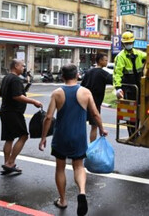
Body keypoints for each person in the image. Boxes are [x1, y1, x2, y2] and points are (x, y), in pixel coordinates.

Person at [39, 64, 108, 216]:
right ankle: (82, 192)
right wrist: (102, 129)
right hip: (79, 136)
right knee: (78, 167)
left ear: (62, 76)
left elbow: (48, 117)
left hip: (61, 136)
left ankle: (63, 200)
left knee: (60, 167)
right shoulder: (85, 92)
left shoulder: (57, 93)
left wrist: (43, 138)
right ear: (77, 75)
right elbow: (95, 114)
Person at [0, 59, 42, 174]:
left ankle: (7, 163)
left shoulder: (6, 78)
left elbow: (4, 94)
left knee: (9, 138)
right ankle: (10, 162)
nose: (23, 68)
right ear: (16, 66)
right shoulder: (15, 79)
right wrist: (34, 101)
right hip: (14, 112)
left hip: (5, 111)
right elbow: (17, 96)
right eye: (22, 66)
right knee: (23, 136)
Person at [113, 31, 146, 136]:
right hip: (128, 88)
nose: (128, 45)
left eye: (130, 43)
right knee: (130, 112)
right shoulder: (120, 57)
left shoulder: (139, 54)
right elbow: (117, 74)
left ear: (133, 42)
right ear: (123, 44)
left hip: (140, 87)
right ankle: (132, 134)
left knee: (142, 109)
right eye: (127, 43)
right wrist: (118, 88)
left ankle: (140, 131)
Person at [81, 53, 113, 142]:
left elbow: (81, 86)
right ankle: (91, 147)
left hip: (83, 102)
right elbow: (114, 81)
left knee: (80, 125)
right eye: (105, 60)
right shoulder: (104, 73)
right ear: (100, 61)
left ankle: (80, 146)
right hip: (95, 103)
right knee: (94, 127)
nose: (107, 62)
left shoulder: (88, 72)